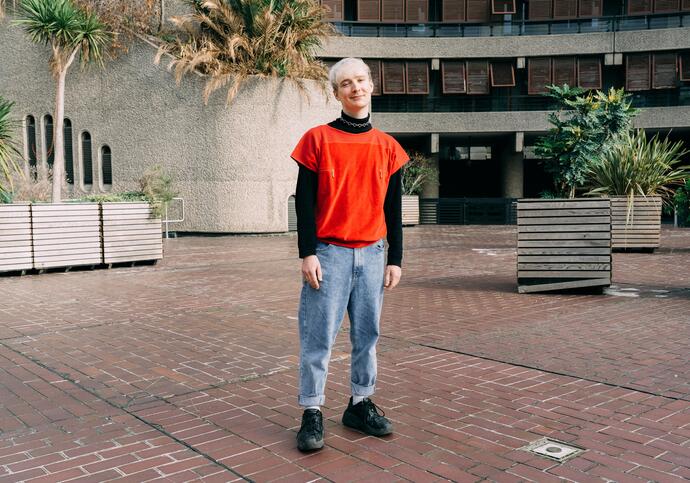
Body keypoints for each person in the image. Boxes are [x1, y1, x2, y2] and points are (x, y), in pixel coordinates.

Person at [290, 57, 409, 452]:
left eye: (360, 81)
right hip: (330, 253)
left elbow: (393, 209)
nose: (355, 88)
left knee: (366, 335)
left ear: (372, 85)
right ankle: (312, 411)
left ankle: (359, 404)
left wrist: (396, 258)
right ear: (336, 92)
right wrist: (307, 253)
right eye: (346, 83)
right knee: (318, 336)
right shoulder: (317, 140)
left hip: (373, 254)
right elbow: (303, 204)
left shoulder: (388, 147)